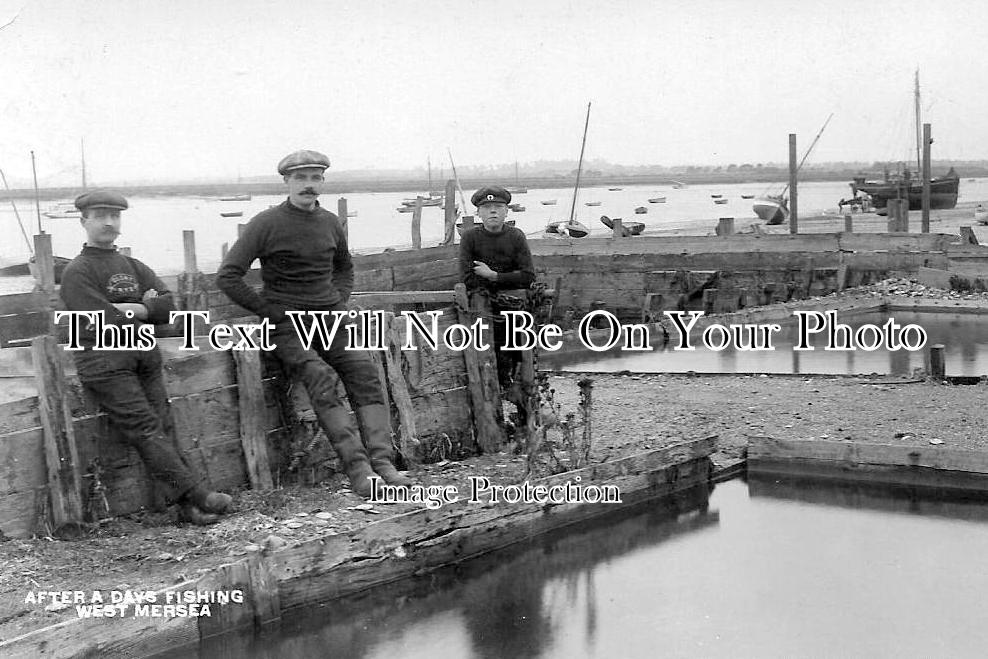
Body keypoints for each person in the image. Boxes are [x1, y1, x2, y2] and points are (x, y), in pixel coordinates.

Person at [216, 150, 411, 497]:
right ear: (287, 182)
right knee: (320, 376)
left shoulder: (330, 222)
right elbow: (229, 277)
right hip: (287, 326)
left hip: (331, 319)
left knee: (363, 371)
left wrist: (338, 299)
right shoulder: (266, 223)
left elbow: (344, 267)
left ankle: (383, 463)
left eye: (315, 178)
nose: (309, 185)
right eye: (301, 178)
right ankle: (359, 470)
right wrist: (271, 311)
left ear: (322, 182)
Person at [59, 190, 232, 525]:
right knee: (145, 427)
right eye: (100, 216)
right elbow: (103, 318)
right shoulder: (77, 272)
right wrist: (145, 308)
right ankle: (199, 495)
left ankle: (189, 509)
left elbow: (168, 308)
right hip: (104, 360)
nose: (109, 222)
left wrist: (133, 308)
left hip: (143, 356)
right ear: (84, 222)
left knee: (164, 424)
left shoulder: (132, 266)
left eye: (115, 215)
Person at [458, 185, 536, 393]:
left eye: (498, 206)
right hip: (483, 309)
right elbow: (467, 278)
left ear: (506, 211)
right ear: (479, 213)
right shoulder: (470, 238)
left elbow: (528, 276)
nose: (493, 211)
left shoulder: (516, 237)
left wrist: (493, 276)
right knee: (487, 355)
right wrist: (508, 280)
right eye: (488, 207)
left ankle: (517, 389)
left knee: (519, 353)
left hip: (514, 308)